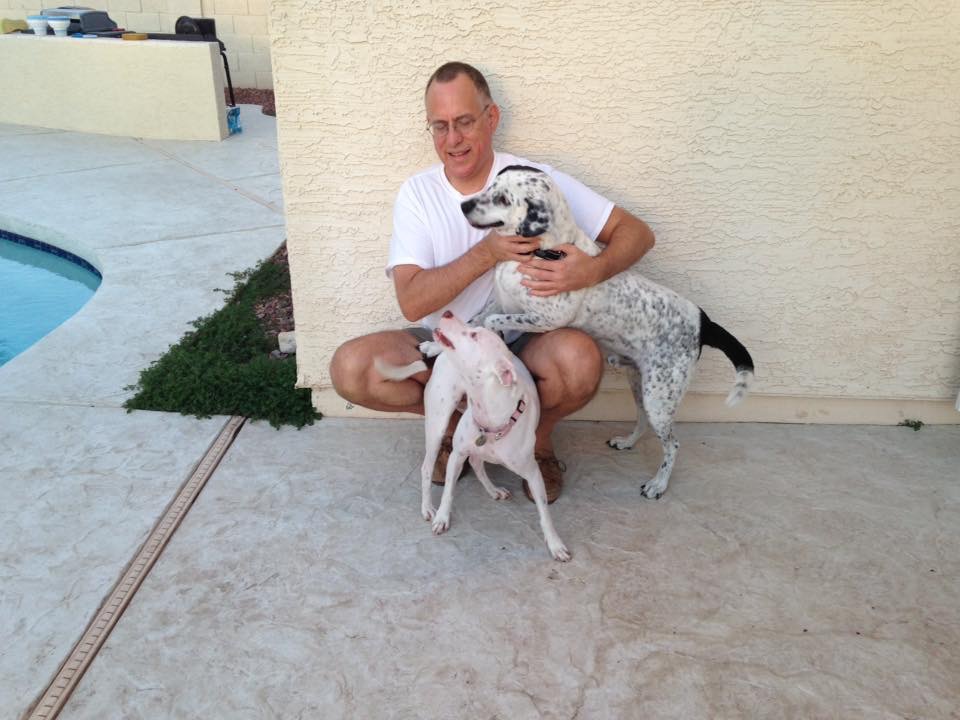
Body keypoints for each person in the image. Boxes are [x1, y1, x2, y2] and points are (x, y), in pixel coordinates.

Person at [330, 61, 655, 503]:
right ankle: (452, 426)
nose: (452, 140)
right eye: (439, 126)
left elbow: (636, 233)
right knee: (351, 368)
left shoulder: (532, 179)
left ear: (491, 117)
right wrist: (487, 252)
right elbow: (411, 301)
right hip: (446, 341)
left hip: (524, 340)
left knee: (580, 361)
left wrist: (593, 268)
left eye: (464, 122)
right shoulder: (418, 193)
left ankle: (535, 440)